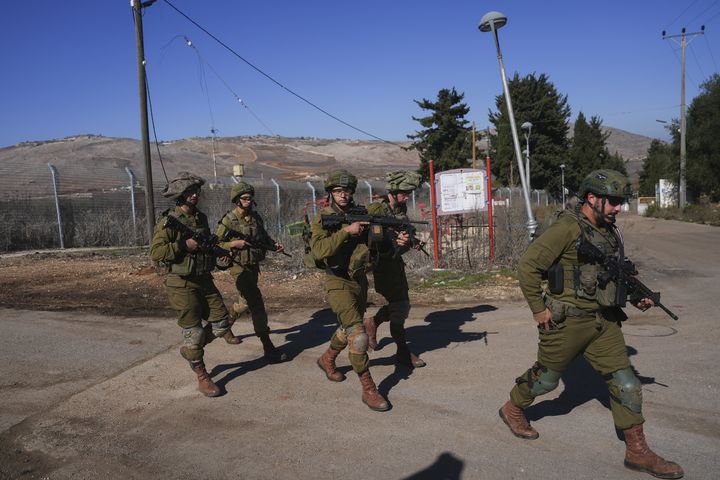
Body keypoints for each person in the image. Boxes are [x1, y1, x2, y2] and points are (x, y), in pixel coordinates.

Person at [498, 170, 683, 479]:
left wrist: (636, 297)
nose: (618, 208)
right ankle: (513, 408)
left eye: (621, 202)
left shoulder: (609, 232)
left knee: (628, 384)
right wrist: (538, 309)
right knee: (546, 381)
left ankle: (638, 451)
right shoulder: (566, 228)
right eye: (613, 202)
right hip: (566, 321)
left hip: (604, 321)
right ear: (593, 199)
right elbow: (528, 266)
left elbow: (611, 274)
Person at [311, 169, 390, 412]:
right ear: (330, 193)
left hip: (358, 281)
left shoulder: (361, 214)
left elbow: (378, 246)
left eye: (346, 191)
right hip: (337, 281)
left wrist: (392, 239)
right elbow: (319, 251)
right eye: (337, 191)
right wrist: (346, 231)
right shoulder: (322, 218)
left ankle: (327, 359)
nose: (343, 195)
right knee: (359, 334)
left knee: (348, 327)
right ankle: (369, 388)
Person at [150, 172, 232, 397]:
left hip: (204, 279)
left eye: (196, 191)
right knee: (194, 332)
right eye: (189, 192)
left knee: (222, 323)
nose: (195, 195)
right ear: (179, 195)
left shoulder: (201, 218)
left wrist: (220, 260)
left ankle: (191, 351)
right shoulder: (169, 220)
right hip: (181, 283)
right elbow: (156, 253)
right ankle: (202, 376)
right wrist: (183, 245)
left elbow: (205, 249)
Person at [216, 181, 288, 363]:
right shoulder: (228, 220)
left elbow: (262, 237)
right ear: (237, 200)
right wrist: (232, 244)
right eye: (244, 198)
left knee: (244, 302)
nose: (248, 201)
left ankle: (225, 325)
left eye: (250, 198)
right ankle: (267, 345)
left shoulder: (255, 218)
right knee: (256, 303)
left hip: (253, 266)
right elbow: (215, 244)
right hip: (238, 267)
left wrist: (274, 246)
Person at [364, 170, 426, 368]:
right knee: (400, 306)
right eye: (404, 192)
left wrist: (411, 241)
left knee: (402, 305)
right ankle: (403, 351)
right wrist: (394, 239)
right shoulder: (377, 208)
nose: (407, 196)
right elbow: (373, 238)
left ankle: (373, 321)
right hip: (383, 264)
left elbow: (403, 229)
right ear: (393, 190)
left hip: (396, 263)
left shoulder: (400, 208)